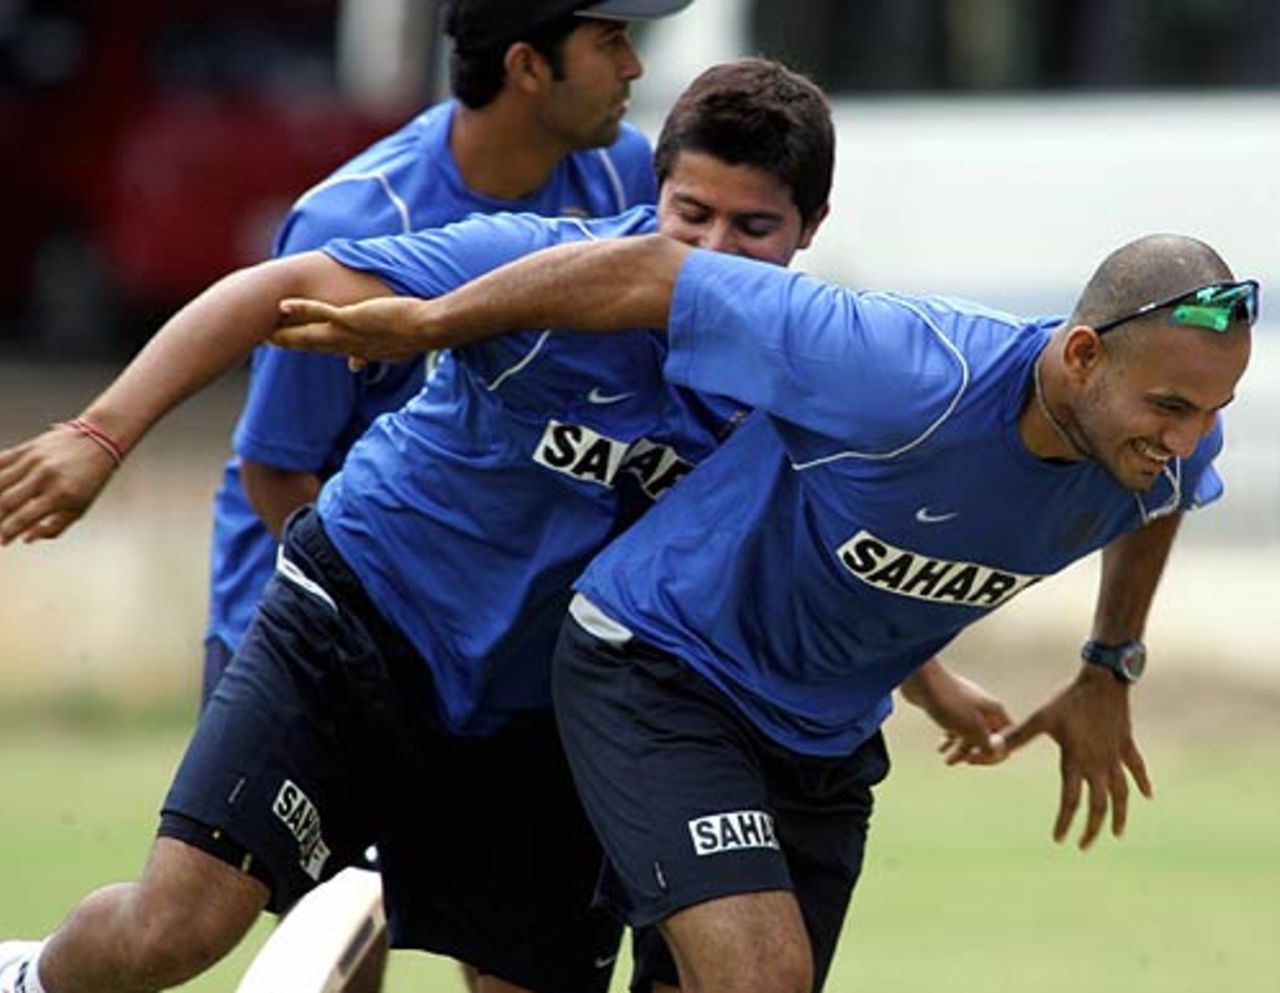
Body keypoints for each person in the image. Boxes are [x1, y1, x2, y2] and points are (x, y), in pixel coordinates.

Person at [0, 57, 1009, 993]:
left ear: (809, 227)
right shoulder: (533, 266)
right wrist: (101, 433)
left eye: (752, 230)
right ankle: (27, 978)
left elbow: (802, 550)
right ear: (649, 194)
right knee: (174, 934)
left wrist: (927, 683)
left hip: (542, 709)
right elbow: (272, 289)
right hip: (360, 625)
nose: (710, 254)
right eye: (689, 214)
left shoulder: (808, 370)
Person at [258, 229, 1256, 992]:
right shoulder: (903, 370)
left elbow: (1158, 497)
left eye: (1214, 410)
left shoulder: (1161, 443)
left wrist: (1105, 663)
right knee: (757, 977)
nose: (1189, 436)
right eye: (1170, 407)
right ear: (1080, 355)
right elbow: (653, 270)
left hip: (820, 735)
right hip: (660, 668)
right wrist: (437, 323)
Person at [204, 0, 687, 706]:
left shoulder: (624, 177)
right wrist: (391, 625)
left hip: (477, 634)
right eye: (610, 40)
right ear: (527, 66)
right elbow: (277, 469)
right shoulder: (355, 221)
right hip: (310, 615)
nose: (633, 65)